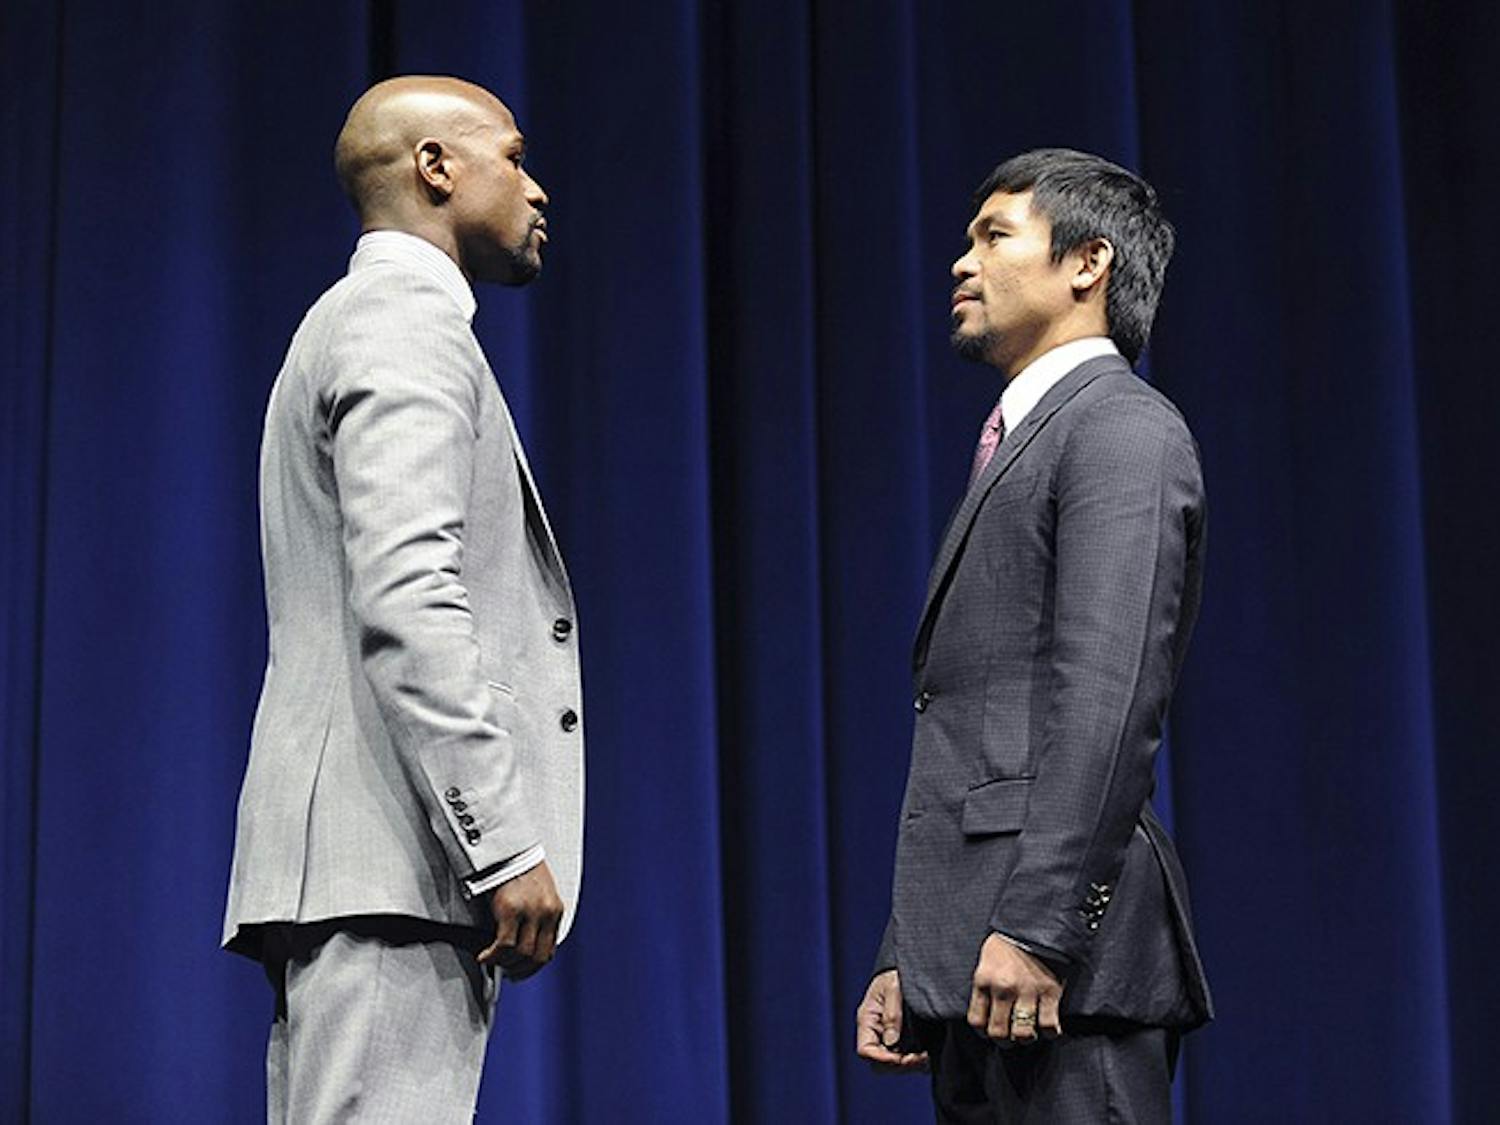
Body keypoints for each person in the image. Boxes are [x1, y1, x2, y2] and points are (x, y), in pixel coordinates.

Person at [222, 76, 584, 1122]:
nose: (536, 188)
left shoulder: (364, 319)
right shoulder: (404, 322)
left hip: (360, 866)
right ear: (436, 168)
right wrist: (503, 838)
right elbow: (408, 592)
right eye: (512, 157)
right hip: (389, 864)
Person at [855, 149, 1212, 1121]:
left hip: (1057, 967)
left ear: (1087, 264)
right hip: (977, 960)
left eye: (993, 237)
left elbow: (1109, 695)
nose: (961, 264)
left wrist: (1041, 929)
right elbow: (977, 734)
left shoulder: (1120, 430)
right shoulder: (1031, 438)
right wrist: (909, 949)